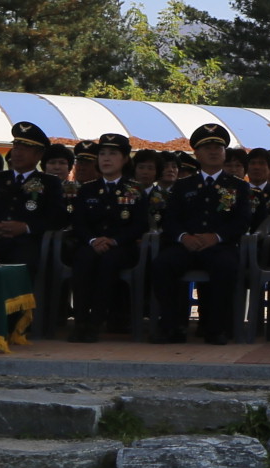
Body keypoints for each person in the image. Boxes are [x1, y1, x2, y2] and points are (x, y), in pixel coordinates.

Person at [160, 123, 255, 343]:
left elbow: (242, 221)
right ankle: (172, 326)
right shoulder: (183, 185)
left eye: (218, 148)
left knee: (226, 267)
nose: (213, 152)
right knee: (163, 264)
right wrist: (184, 237)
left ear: (224, 153)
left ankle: (216, 329)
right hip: (187, 245)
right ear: (197, 154)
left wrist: (217, 236)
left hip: (219, 246)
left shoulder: (239, 186)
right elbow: (170, 219)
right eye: (207, 148)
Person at [64, 134, 143, 342]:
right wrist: (93, 240)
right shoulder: (87, 189)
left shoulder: (134, 189)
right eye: (102, 154)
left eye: (113, 154)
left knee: (109, 262)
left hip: (121, 247)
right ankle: (80, 321)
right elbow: (79, 222)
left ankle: (95, 322)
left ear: (124, 159)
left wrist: (114, 241)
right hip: (91, 244)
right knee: (82, 259)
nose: (106, 158)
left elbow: (139, 225)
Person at [0, 121, 67, 273]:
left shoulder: (49, 182)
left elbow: (57, 218)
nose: (17, 153)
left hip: (25, 243)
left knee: (22, 266)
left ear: (39, 155)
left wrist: (26, 227)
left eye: (25, 149)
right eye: (16, 147)